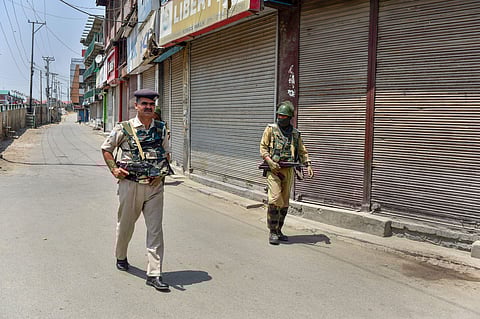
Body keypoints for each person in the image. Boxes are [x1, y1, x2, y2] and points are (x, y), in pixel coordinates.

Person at [101, 89, 171, 292]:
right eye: (145, 104)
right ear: (136, 106)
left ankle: (154, 273)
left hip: (155, 186)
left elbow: (166, 153)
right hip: (130, 185)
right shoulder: (124, 128)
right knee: (125, 226)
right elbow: (106, 149)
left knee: (155, 230)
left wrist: (161, 172)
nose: (149, 107)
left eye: (151, 104)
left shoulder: (161, 128)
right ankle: (120, 256)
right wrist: (114, 169)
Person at [259, 100, 314, 245]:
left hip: (288, 170)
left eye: (284, 116)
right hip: (273, 169)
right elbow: (263, 148)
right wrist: (270, 161)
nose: (280, 118)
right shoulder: (270, 129)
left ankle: (279, 230)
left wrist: (308, 164)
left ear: (290, 118)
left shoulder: (295, 134)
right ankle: (272, 231)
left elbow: (302, 151)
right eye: (279, 115)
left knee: (284, 202)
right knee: (275, 199)